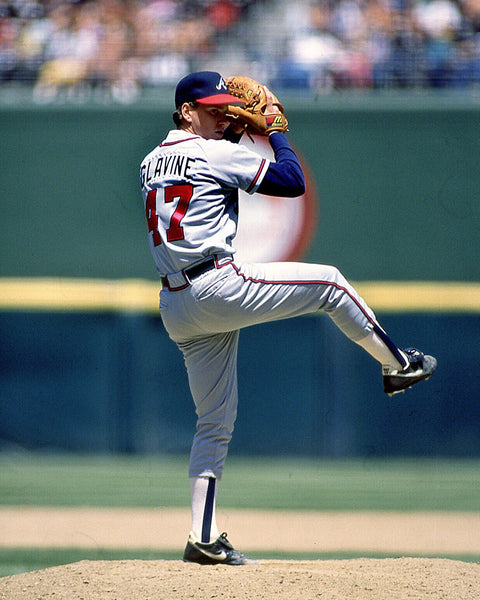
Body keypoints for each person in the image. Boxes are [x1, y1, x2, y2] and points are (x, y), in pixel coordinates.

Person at [139, 70, 437, 565]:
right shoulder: (212, 152)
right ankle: (397, 365)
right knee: (332, 283)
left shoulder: (151, 161)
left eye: (225, 108)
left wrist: (235, 131)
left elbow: (206, 169)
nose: (224, 115)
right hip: (216, 284)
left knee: (214, 423)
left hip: (176, 304)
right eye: (213, 110)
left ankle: (203, 537)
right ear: (186, 112)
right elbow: (290, 181)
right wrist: (276, 131)